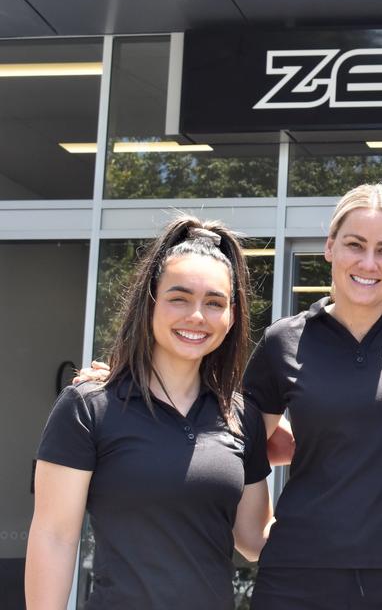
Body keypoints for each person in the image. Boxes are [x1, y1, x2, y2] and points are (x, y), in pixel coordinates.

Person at [25, 217, 272, 609]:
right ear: (150, 301)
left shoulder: (240, 416)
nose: (197, 316)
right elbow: (55, 536)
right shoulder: (91, 406)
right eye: (179, 298)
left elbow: (255, 539)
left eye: (214, 303)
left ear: (231, 315)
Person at [242, 184, 382, 610]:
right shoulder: (283, 341)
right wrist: (252, 534)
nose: (368, 263)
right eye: (354, 245)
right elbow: (238, 445)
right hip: (298, 576)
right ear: (329, 247)